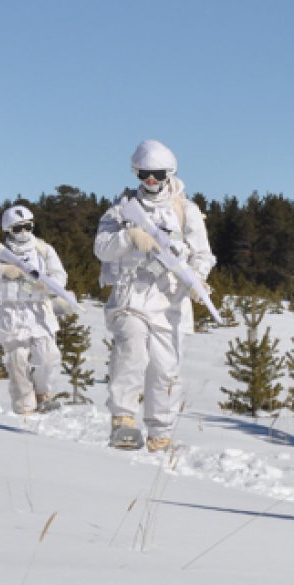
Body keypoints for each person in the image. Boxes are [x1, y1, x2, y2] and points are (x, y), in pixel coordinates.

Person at [94, 139, 216, 453]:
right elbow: (101, 248)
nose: (151, 181)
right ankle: (123, 420)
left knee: (165, 370)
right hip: (130, 296)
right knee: (132, 349)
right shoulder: (121, 210)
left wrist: (197, 279)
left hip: (170, 302)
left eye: (157, 174)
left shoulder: (185, 211)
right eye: (144, 174)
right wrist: (130, 236)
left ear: (169, 173)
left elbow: (203, 254)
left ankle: (160, 434)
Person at [0, 205, 68, 416]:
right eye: (18, 228)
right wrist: (2, 269)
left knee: (48, 356)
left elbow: (60, 277)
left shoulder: (44, 250)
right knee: (17, 361)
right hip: (11, 314)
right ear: (8, 230)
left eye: (28, 226)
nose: (24, 232)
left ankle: (43, 393)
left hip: (39, 312)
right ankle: (25, 408)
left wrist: (46, 285)